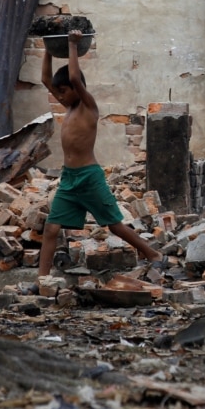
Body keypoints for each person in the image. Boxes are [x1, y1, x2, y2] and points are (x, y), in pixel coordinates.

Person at [38, 30, 162, 279]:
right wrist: (47, 49)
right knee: (51, 228)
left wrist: (72, 45)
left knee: (113, 224)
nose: (59, 96)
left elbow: (74, 76)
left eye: (63, 91)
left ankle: (153, 254)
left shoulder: (88, 107)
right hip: (69, 179)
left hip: (89, 177)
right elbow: (44, 79)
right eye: (58, 92)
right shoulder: (70, 106)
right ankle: (41, 279)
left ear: (77, 88)